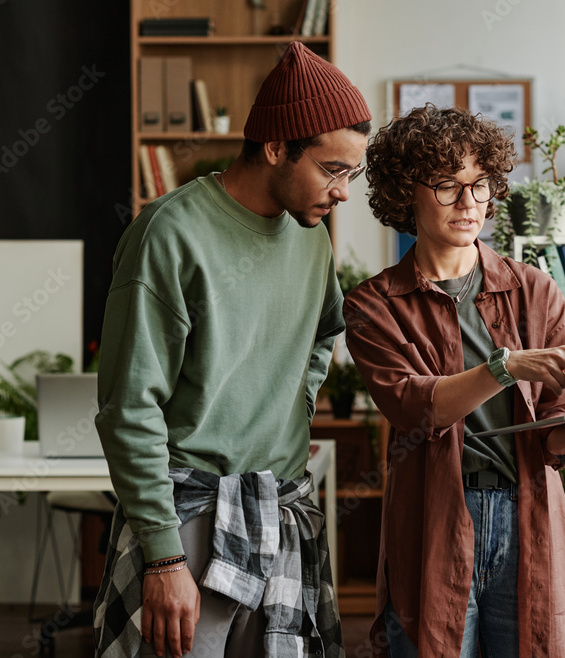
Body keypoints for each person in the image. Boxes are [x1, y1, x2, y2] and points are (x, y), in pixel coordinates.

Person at [92, 42, 371, 658]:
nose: (344, 192)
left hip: (282, 508)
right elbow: (127, 407)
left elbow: (326, 330)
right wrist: (163, 556)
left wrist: (293, 398)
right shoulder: (168, 234)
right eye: (332, 169)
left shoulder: (313, 237)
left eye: (352, 173)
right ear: (275, 147)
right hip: (186, 521)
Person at [342, 104, 565, 657]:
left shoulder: (534, 289)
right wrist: (506, 366)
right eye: (448, 187)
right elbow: (416, 407)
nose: (469, 204)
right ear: (406, 191)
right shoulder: (374, 305)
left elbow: (553, 433)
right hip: (437, 518)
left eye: (480, 186)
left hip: (527, 512)